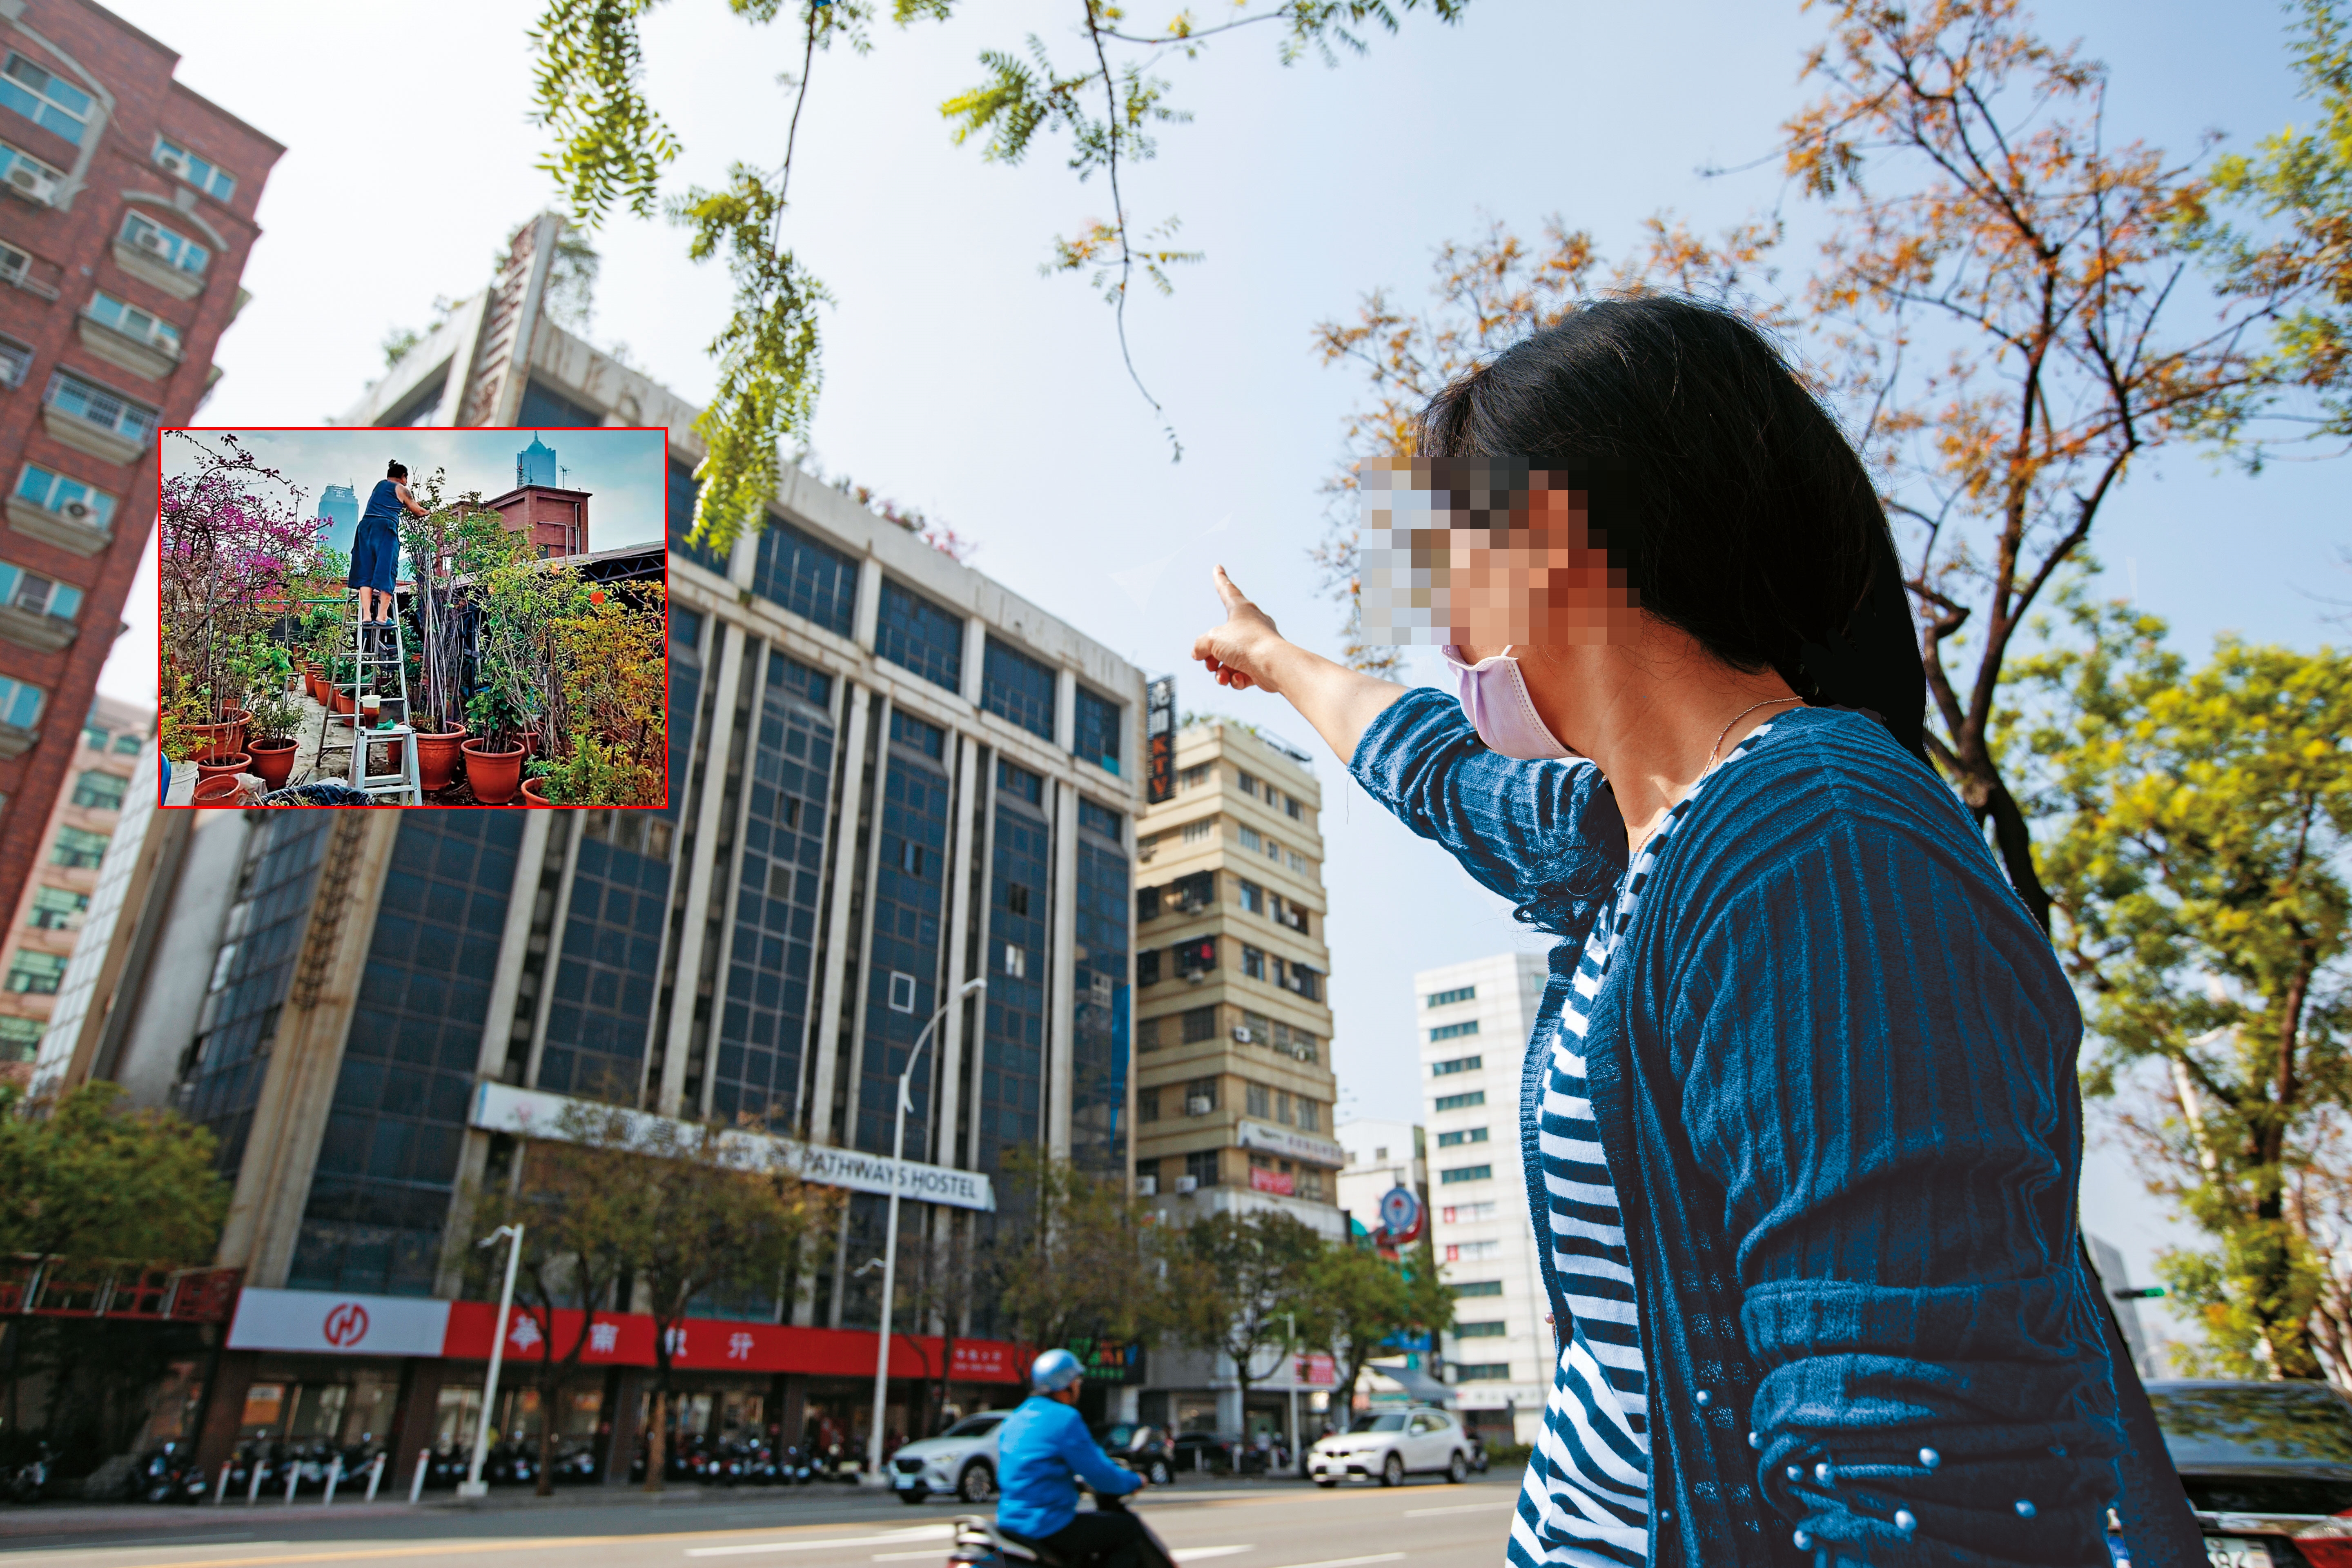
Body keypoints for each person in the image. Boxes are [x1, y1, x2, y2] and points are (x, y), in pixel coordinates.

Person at [1188, 295, 2204, 1567]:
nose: (1444, 622)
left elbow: (1922, 1496)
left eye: (1451, 551)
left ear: (1550, 530)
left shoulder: (1811, 835)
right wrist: (1274, 657)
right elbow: (1433, 767)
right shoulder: (1633, 841)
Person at [996, 1349, 1149, 1568]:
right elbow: (1099, 1473)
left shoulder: (1014, 1419)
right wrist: (1134, 1481)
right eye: (1077, 1381)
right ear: (1066, 1385)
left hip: (1010, 1523)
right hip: (1047, 1525)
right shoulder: (1066, 1419)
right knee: (1128, 1529)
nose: (1079, 1387)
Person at [349, 460, 426, 647]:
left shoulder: (379, 486)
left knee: (365, 574)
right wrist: (430, 511)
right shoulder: (401, 488)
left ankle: (367, 616)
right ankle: (383, 616)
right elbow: (418, 511)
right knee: (387, 569)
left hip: (365, 528)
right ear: (403, 477)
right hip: (385, 528)